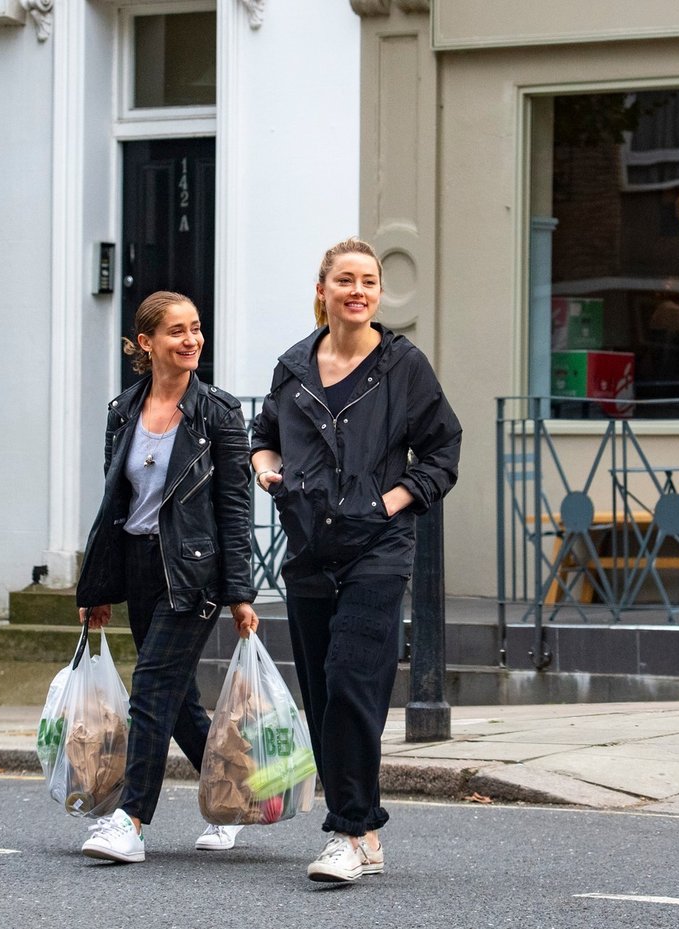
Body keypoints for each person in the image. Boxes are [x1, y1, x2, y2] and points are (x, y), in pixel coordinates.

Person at [250, 237, 462, 882]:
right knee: (322, 696)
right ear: (324, 290)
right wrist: (268, 470)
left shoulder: (404, 366)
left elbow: (443, 451)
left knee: (351, 682)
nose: (359, 290)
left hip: (377, 549)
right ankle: (365, 827)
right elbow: (263, 435)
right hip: (311, 550)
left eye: (369, 281)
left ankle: (344, 832)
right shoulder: (293, 367)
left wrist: (393, 500)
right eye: (345, 279)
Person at [75, 291, 259, 863]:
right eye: (177, 331)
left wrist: (240, 593)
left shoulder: (219, 414)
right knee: (176, 702)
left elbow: (234, 506)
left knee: (151, 689)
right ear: (146, 343)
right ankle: (237, 796)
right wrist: (97, 587)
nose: (191, 340)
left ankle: (130, 821)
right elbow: (113, 506)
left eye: (196, 329)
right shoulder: (122, 411)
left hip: (193, 572)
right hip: (137, 567)